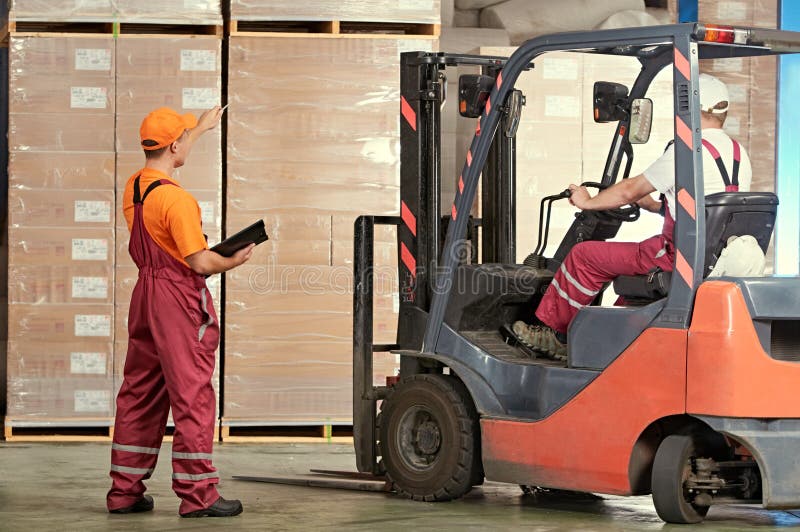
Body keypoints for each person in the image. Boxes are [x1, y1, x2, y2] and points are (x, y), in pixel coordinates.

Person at [513, 73, 752, 361]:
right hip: (711, 256)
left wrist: (588, 202)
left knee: (584, 256)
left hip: (675, 255)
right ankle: (606, 342)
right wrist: (653, 205)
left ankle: (558, 336)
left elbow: (628, 191)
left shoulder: (688, 151)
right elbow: (702, 208)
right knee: (626, 280)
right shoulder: (738, 154)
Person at [107, 107, 254, 517]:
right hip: (176, 301)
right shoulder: (178, 200)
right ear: (175, 145)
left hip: (146, 297)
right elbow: (200, 263)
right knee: (192, 395)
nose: (188, 140)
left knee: (139, 392)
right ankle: (199, 495)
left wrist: (202, 126)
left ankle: (124, 492)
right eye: (185, 137)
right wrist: (234, 259)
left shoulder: (135, 187)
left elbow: (173, 150)